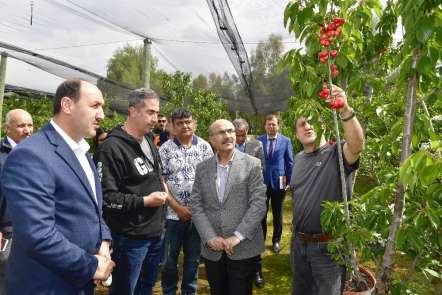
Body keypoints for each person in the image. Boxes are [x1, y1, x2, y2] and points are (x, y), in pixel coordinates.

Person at [0, 79, 114, 295]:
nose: (102, 115)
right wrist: (92, 266)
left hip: (78, 283)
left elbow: (93, 209)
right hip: (45, 285)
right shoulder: (31, 155)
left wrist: (104, 242)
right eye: (95, 106)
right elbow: (38, 234)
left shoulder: (82, 152)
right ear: (67, 105)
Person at [290, 85, 364, 295]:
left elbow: (357, 145)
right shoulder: (298, 159)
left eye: (312, 121)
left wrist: (345, 110)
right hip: (299, 244)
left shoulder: (337, 154)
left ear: (324, 126)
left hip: (328, 248)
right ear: (296, 133)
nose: (307, 126)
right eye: (302, 124)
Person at [94, 88, 167, 295]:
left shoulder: (148, 141)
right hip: (130, 237)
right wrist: (144, 201)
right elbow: (106, 198)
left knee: (146, 287)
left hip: (154, 233)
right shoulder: (111, 148)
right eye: (150, 112)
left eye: (157, 113)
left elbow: (155, 176)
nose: (156, 118)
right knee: (125, 289)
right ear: (133, 111)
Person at [190, 119, 266, 295]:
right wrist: (209, 237)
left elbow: (258, 203)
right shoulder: (202, 168)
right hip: (212, 249)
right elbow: (196, 204)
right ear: (211, 139)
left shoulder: (252, 164)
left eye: (231, 131)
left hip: (243, 247)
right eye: (222, 132)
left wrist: (237, 236)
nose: (228, 136)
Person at [159, 108, 213, 295]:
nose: (185, 125)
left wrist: (194, 208)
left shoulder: (205, 147)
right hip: (172, 215)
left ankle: (189, 291)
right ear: (173, 126)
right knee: (169, 259)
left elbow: (209, 180)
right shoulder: (165, 149)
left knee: (193, 259)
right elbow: (161, 180)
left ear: (194, 123)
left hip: (197, 215)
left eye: (188, 121)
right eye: (180, 123)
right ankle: (168, 290)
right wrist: (177, 207)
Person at [0, 109, 33, 294]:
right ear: (7, 128)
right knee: (5, 279)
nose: (27, 130)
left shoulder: (38, 154)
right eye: (21, 125)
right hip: (7, 233)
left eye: (30, 125)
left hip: (34, 230)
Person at [232, 118, 266, 288]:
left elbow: (261, 170)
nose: (239, 139)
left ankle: (257, 270)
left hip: (252, 198)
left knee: (253, 234)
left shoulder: (257, 146)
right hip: (231, 200)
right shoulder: (225, 144)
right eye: (237, 135)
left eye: (243, 135)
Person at [257, 114, 293, 253]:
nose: (271, 126)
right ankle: (261, 241)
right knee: (261, 213)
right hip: (262, 182)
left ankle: (276, 241)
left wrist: (290, 181)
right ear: (265, 126)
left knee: (278, 213)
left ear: (278, 125)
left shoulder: (286, 141)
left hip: (280, 181)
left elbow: (289, 162)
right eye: (268, 124)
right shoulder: (259, 140)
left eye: (273, 124)